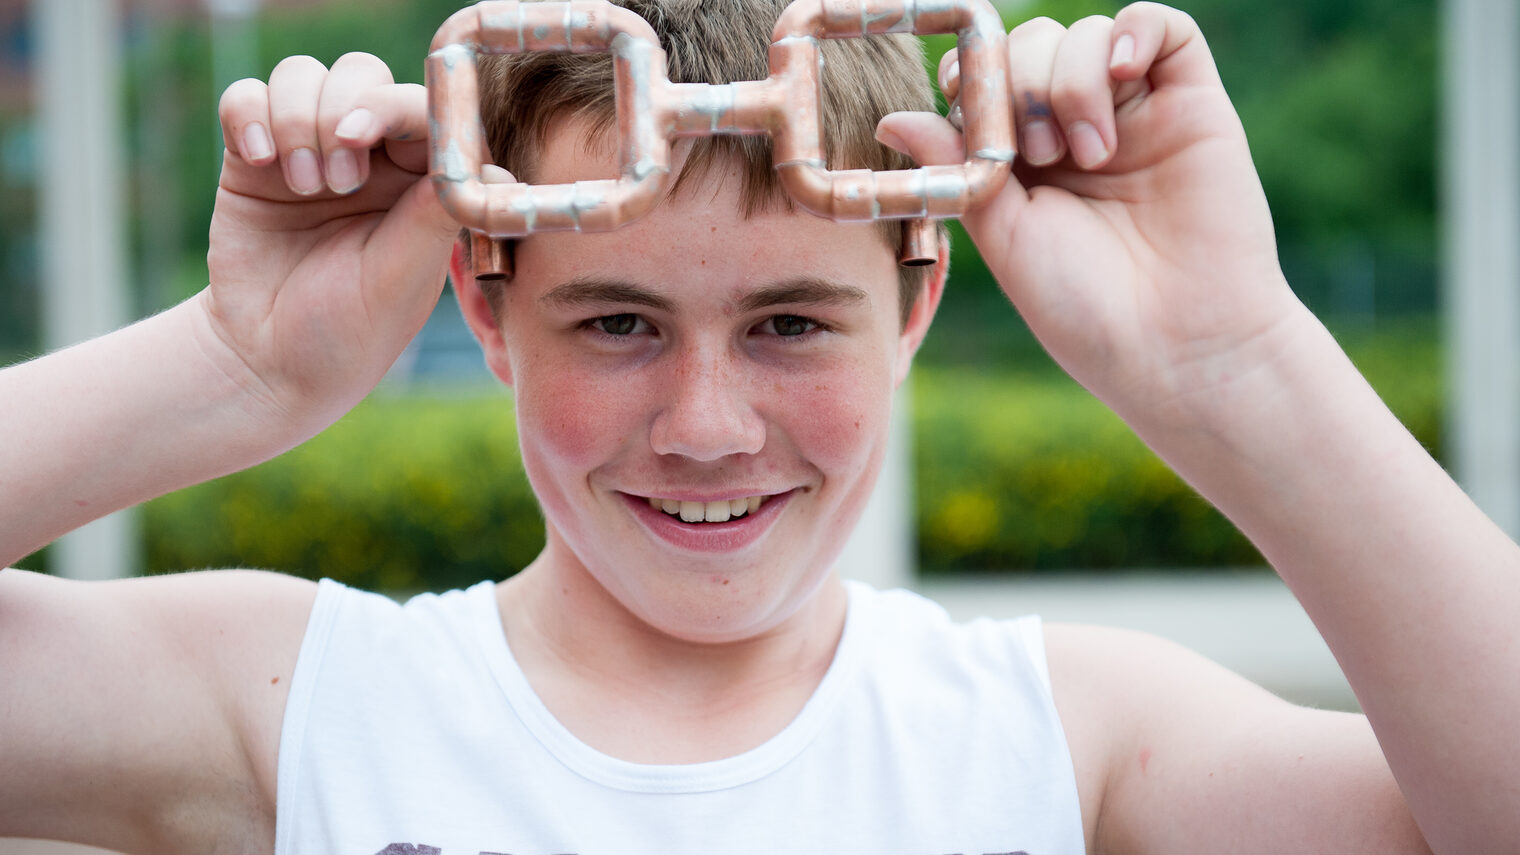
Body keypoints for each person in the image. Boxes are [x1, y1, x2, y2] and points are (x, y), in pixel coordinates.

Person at [1, 0, 1515, 852]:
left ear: (915, 302)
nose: (709, 426)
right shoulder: (295, 708)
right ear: (484, 308)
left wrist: (1237, 360)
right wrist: (231, 368)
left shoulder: (1072, 739)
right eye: (617, 323)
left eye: (791, 322)